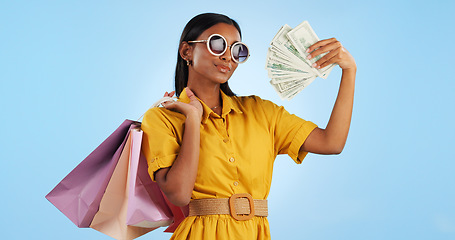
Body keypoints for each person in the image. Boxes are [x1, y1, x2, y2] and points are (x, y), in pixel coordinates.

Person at [141, 13, 356, 239]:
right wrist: (193, 120)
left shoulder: (261, 112)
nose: (227, 57)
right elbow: (179, 194)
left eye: (237, 50)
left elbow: (331, 142)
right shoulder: (162, 119)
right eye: (217, 44)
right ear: (186, 51)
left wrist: (349, 71)